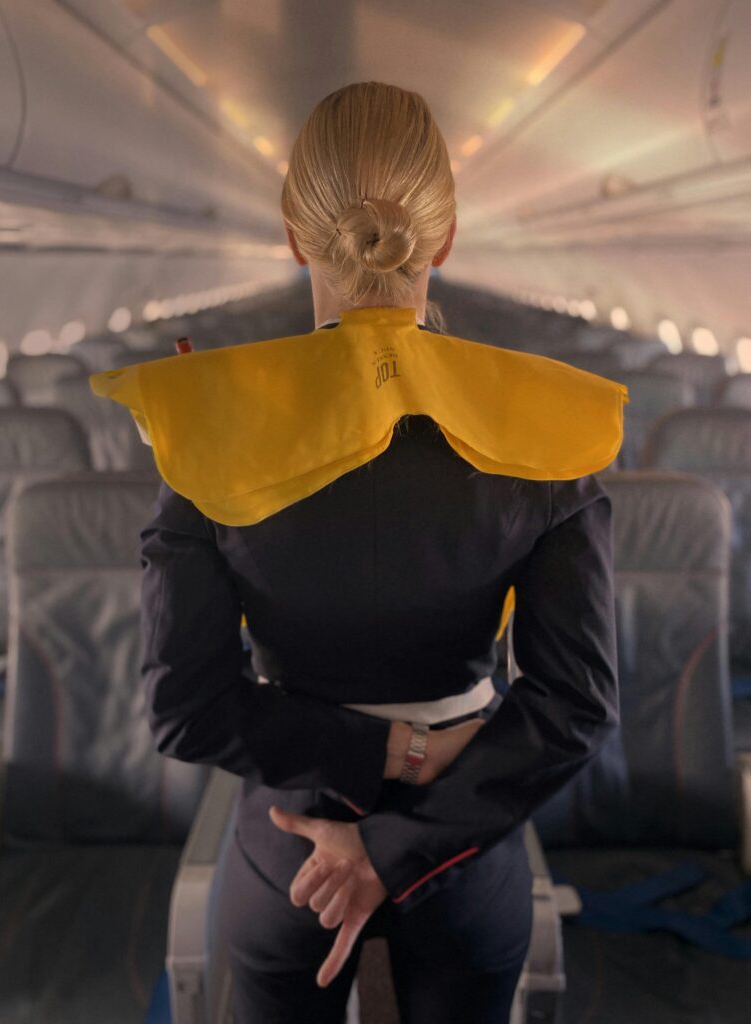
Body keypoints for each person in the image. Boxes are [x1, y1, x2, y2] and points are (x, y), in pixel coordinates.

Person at [135, 81, 624, 1024]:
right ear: (443, 241)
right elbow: (575, 704)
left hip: (290, 848)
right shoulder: (552, 431)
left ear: (292, 237)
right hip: (467, 839)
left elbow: (184, 709)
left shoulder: (209, 433)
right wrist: (407, 822)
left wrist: (378, 762)